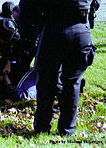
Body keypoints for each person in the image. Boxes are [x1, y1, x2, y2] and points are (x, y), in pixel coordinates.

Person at [19, 0, 101, 136]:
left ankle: (42, 128)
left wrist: (36, 27)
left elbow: (28, 8)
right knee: (72, 82)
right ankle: (67, 130)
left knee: (46, 82)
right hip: (80, 30)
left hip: (53, 29)